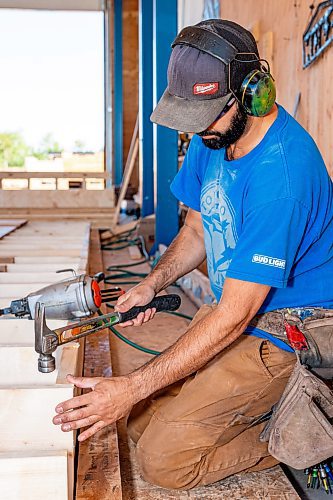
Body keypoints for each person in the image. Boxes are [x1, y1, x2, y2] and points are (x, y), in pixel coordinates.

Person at [53, 19, 333, 490]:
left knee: (165, 461)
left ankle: (309, 430)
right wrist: (152, 283)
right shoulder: (214, 136)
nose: (200, 129)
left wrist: (134, 386)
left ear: (251, 94)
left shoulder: (283, 178)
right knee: (139, 421)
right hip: (237, 308)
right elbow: (200, 228)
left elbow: (234, 315)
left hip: (292, 327)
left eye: (208, 115)